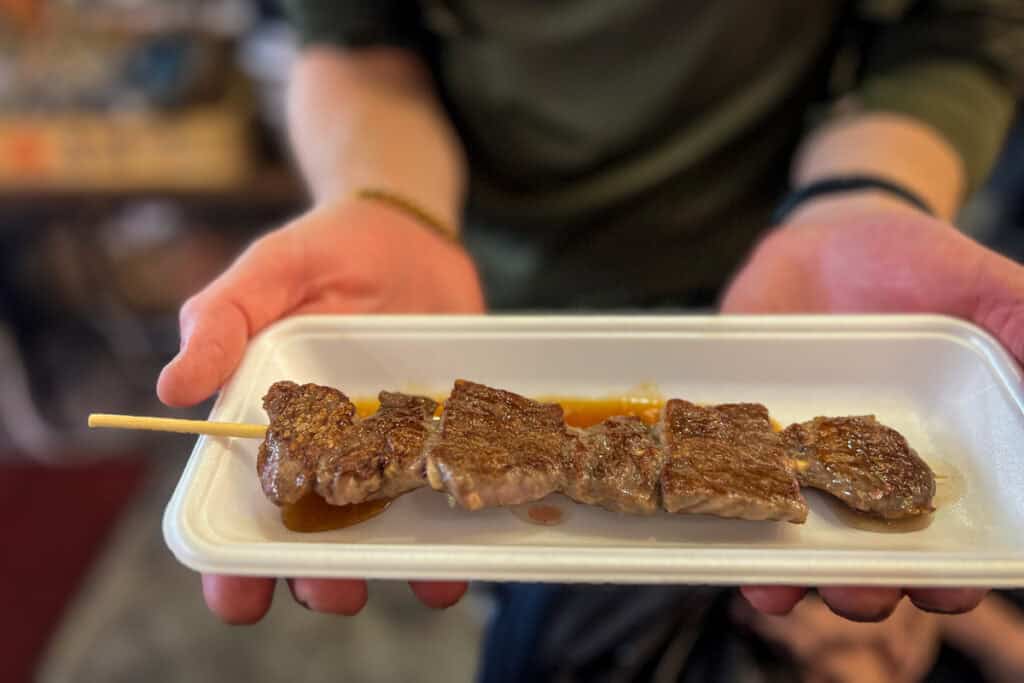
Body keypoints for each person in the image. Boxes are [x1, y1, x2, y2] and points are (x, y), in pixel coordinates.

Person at [156, 0, 1024, 677]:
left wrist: (869, 192)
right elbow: (355, 35)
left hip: (785, 276)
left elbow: (959, 28)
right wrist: (386, 202)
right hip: (460, 300)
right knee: (515, 561)